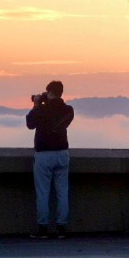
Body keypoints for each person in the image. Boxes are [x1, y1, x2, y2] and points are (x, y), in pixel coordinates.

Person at [25, 80, 75, 238]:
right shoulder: (68, 110)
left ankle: (43, 228)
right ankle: (61, 228)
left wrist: (37, 104)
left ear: (50, 92)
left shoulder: (41, 109)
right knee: (62, 192)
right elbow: (59, 116)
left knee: (43, 192)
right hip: (62, 154)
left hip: (44, 154)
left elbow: (30, 124)